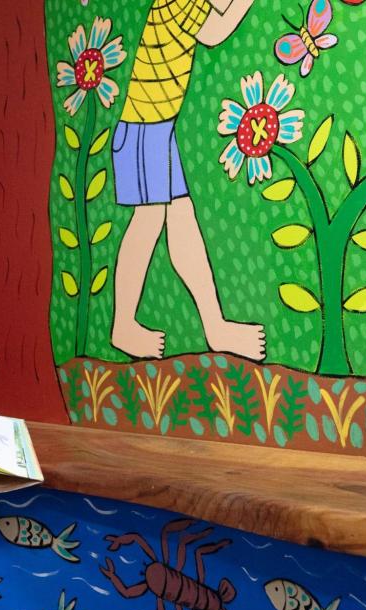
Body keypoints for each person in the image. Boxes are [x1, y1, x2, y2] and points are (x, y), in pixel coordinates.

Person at [111, 0, 265, 361]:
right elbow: (218, 26)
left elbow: (211, 29)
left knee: (181, 222)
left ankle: (214, 326)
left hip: (156, 129)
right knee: (149, 221)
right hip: (144, 130)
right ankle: (122, 325)